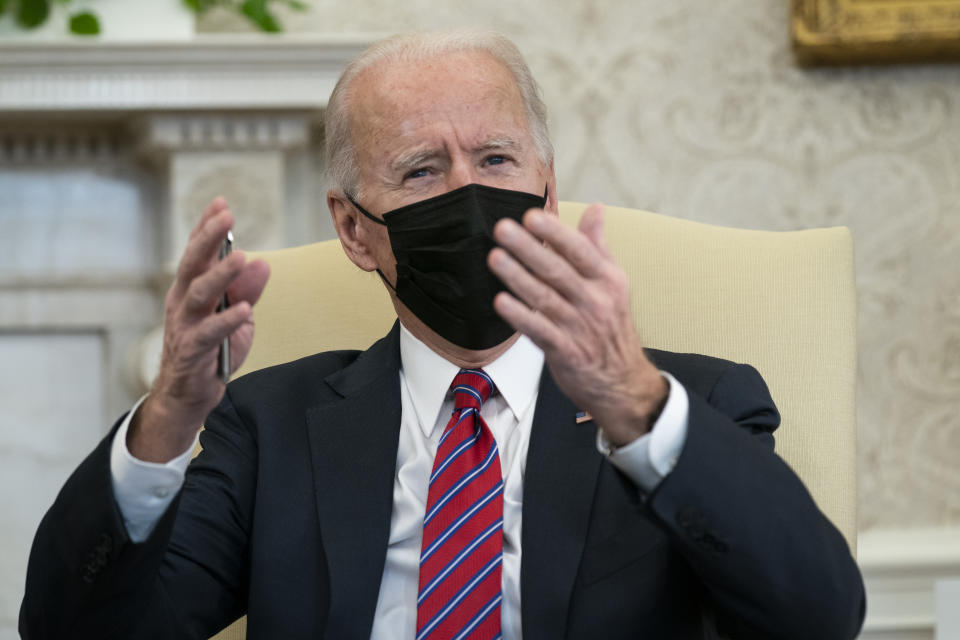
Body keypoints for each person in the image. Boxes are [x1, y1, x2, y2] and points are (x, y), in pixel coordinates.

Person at [20, 30, 865, 640]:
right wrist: (169, 413)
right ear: (355, 231)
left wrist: (635, 402)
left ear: (547, 188)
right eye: (422, 171)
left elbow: (817, 614)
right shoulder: (270, 425)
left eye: (496, 160)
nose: (468, 194)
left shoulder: (692, 403)